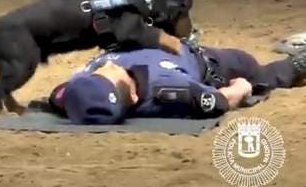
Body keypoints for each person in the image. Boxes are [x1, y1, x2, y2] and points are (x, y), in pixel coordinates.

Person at [48, 40, 306, 124]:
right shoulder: (167, 90)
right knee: (255, 72)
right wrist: (241, 88)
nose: (108, 65)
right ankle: (295, 65)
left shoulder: (76, 92)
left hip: (156, 39)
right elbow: (216, 102)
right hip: (209, 62)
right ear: (134, 97)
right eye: (111, 73)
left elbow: (59, 94)